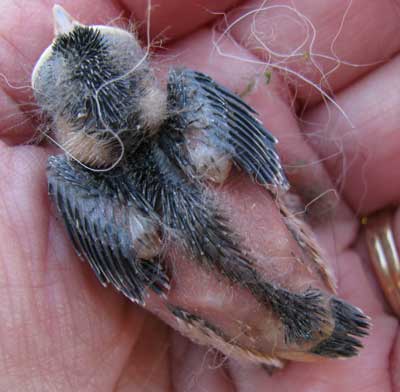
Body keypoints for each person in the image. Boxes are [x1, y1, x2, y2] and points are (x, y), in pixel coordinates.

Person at [0, 0, 398, 390]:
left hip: (212, 300)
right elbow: (228, 164)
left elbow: (136, 246)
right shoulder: (187, 98)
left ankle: (288, 331)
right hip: (232, 286)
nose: (63, 21)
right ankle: (300, 324)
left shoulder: (74, 180)